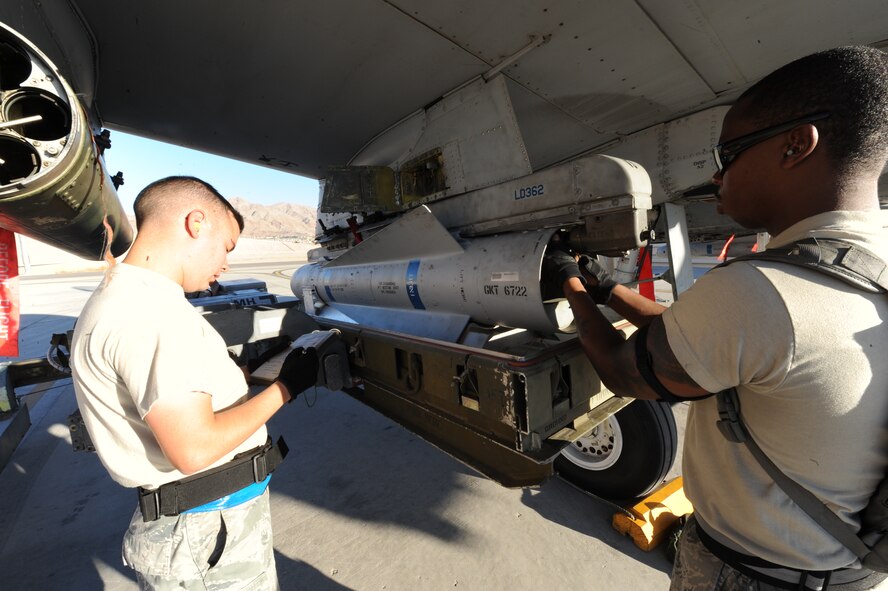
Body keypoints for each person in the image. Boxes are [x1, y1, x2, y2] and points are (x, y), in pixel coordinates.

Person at [543, 46, 888, 590]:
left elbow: (622, 368)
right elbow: (693, 335)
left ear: (797, 145)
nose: (716, 175)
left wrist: (567, 279)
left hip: (754, 573)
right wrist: (607, 288)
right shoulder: (865, 266)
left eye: (729, 155)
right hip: (851, 572)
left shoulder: (763, 292)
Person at [71, 176, 319, 590]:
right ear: (196, 223)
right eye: (226, 247)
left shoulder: (126, 298)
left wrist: (239, 374)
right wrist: (287, 386)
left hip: (202, 529)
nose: (225, 265)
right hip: (207, 538)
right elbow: (195, 447)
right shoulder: (151, 313)